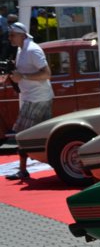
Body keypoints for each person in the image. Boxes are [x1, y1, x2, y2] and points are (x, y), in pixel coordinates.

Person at [5, 22, 53, 181]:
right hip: (34, 97)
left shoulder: (32, 50)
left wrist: (22, 77)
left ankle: (23, 170)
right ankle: (59, 163)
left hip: (36, 98)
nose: (9, 38)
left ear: (22, 35)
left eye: (12, 35)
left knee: (22, 133)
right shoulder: (21, 50)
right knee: (45, 134)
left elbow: (47, 74)